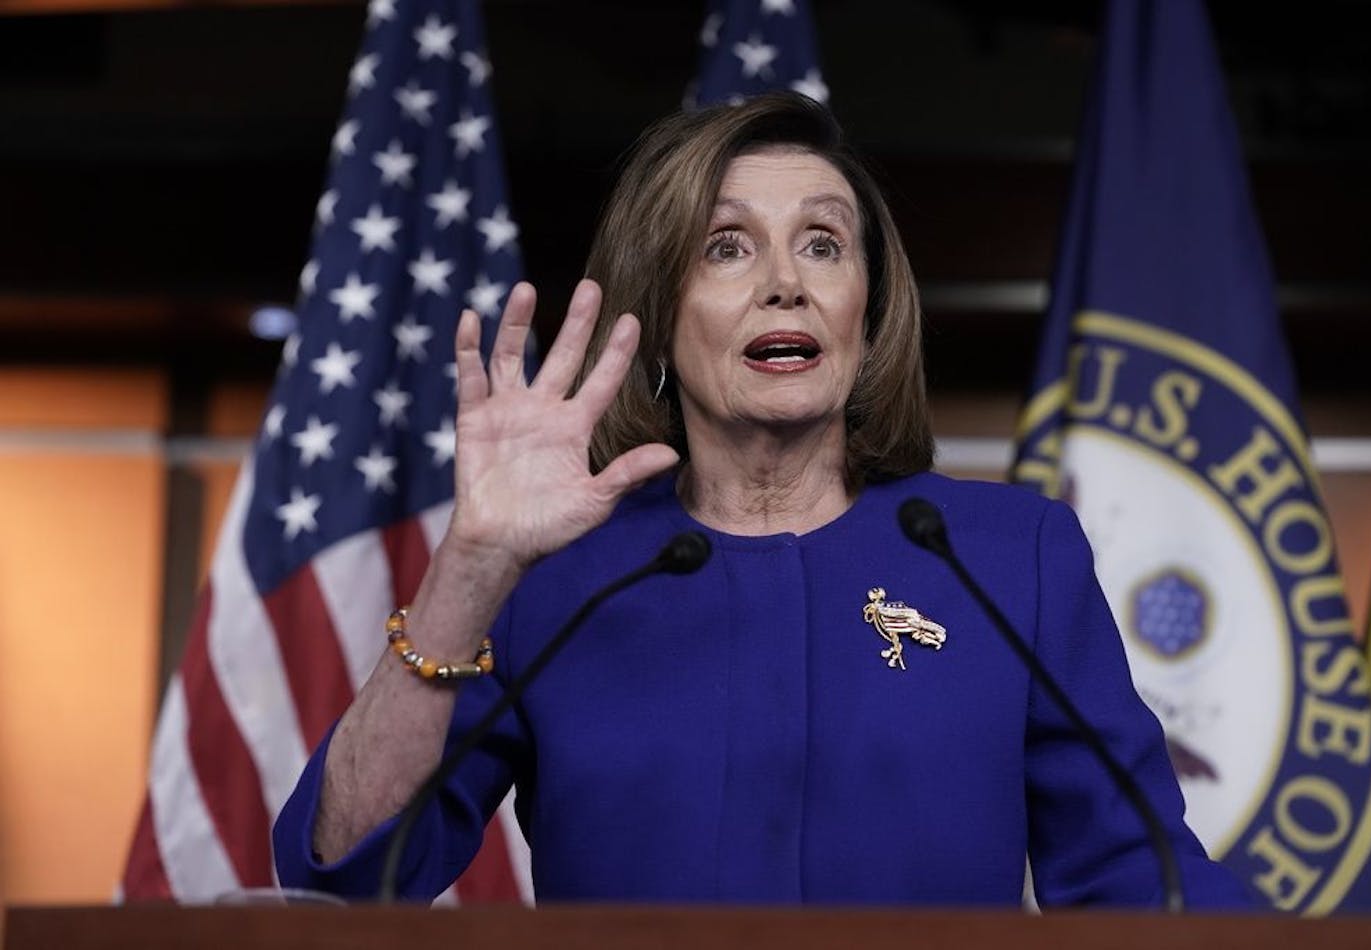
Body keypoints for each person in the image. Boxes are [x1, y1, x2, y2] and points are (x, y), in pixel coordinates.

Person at [273, 92, 1252, 907]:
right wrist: (475, 559)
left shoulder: (1003, 556)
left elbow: (1140, 879)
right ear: (657, 315)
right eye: (726, 248)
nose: (784, 282)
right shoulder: (553, 577)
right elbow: (355, 868)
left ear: (866, 314)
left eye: (822, 245)